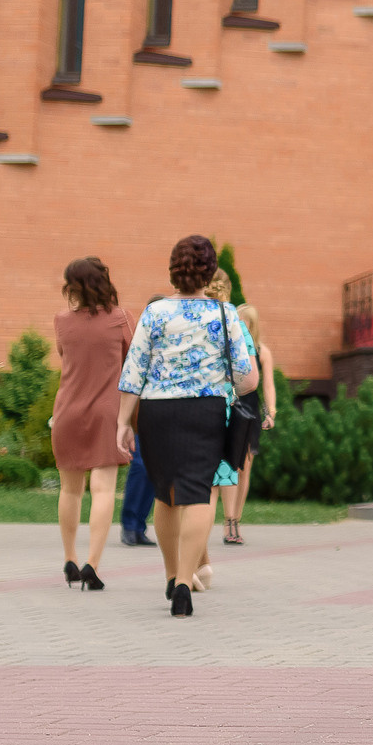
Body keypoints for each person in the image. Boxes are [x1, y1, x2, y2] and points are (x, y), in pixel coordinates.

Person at [114, 236, 257, 618]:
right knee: (196, 495)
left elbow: (134, 371)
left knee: (164, 496)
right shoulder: (226, 315)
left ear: (173, 270)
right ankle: (184, 584)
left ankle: (171, 572)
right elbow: (247, 379)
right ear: (209, 272)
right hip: (205, 412)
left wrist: (123, 422)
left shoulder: (155, 312)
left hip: (157, 413)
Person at [49, 257, 129, 589]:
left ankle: (69, 558)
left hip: (67, 411)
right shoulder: (121, 319)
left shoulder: (61, 322)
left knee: (70, 490)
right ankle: (91, 564)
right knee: (103, 490)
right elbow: (133, 362)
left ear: (72, 287)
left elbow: (65, 356)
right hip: (106, 413)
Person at [215, 300, 276, 546]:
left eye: (246, 324)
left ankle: (236, 519)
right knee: (230, 464)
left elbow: (268, 384)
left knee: (245, 466)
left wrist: (271, 412)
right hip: (228, 403)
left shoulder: (262, 351)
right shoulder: (228, 345)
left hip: (248, 408)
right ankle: (227, 519)